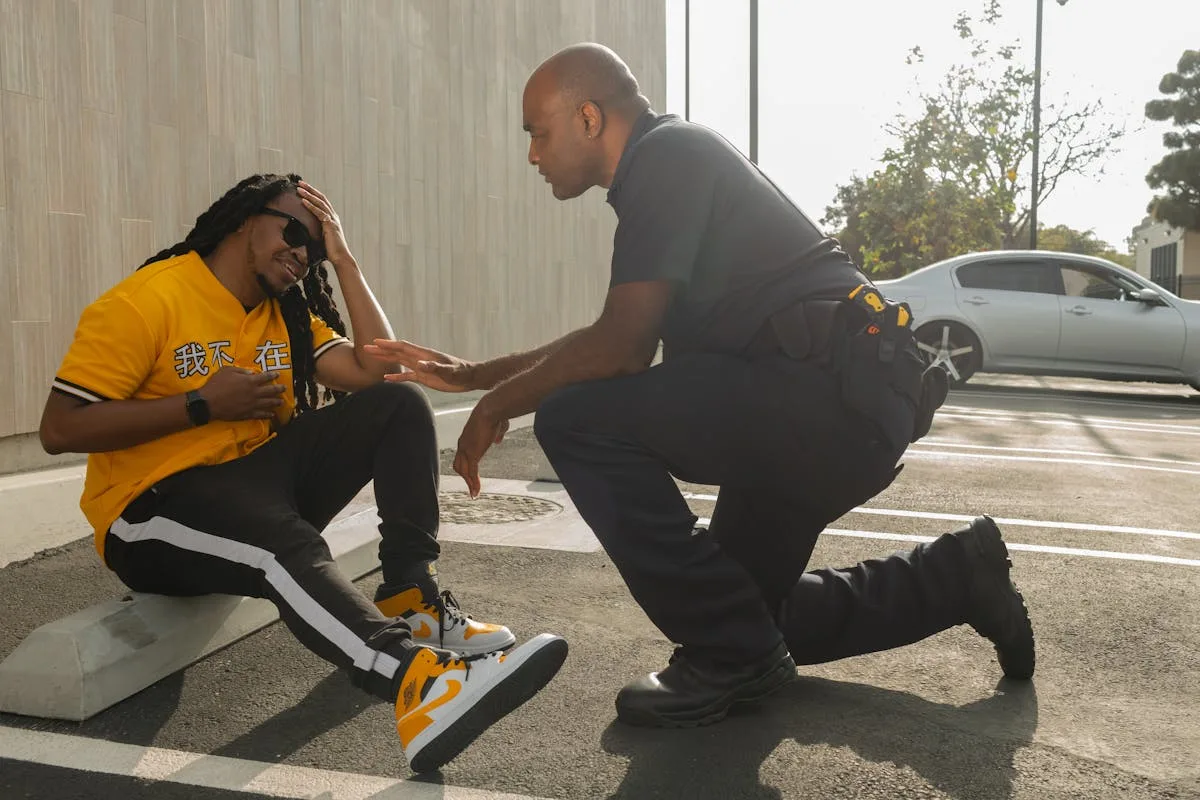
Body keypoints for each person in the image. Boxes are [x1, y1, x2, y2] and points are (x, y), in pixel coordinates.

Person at [367, 44, 1035, 729]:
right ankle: (958, 576)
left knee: (572, 419)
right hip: (821, 407)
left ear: (589, 117)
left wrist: (498, 405)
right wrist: (477, 374)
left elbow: (621, 348)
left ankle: (731, 651)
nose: (533, 155)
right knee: (756, 618)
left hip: (822, 402)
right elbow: (617, 331)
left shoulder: (667, 158)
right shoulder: (669, 162)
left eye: (539, 133)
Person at [38, 173, 567, 772]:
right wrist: (200, 405)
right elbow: (59, 430)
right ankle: (416, 685)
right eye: (293, 230)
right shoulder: (146, 301)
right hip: (152, 512)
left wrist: (344, 261)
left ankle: (408, 597)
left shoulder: (283, 313)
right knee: (280, 543)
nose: (301, 252)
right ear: (243, 220)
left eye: (314, 245)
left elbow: (377, 368)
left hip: (253, 485)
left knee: (398, 404)